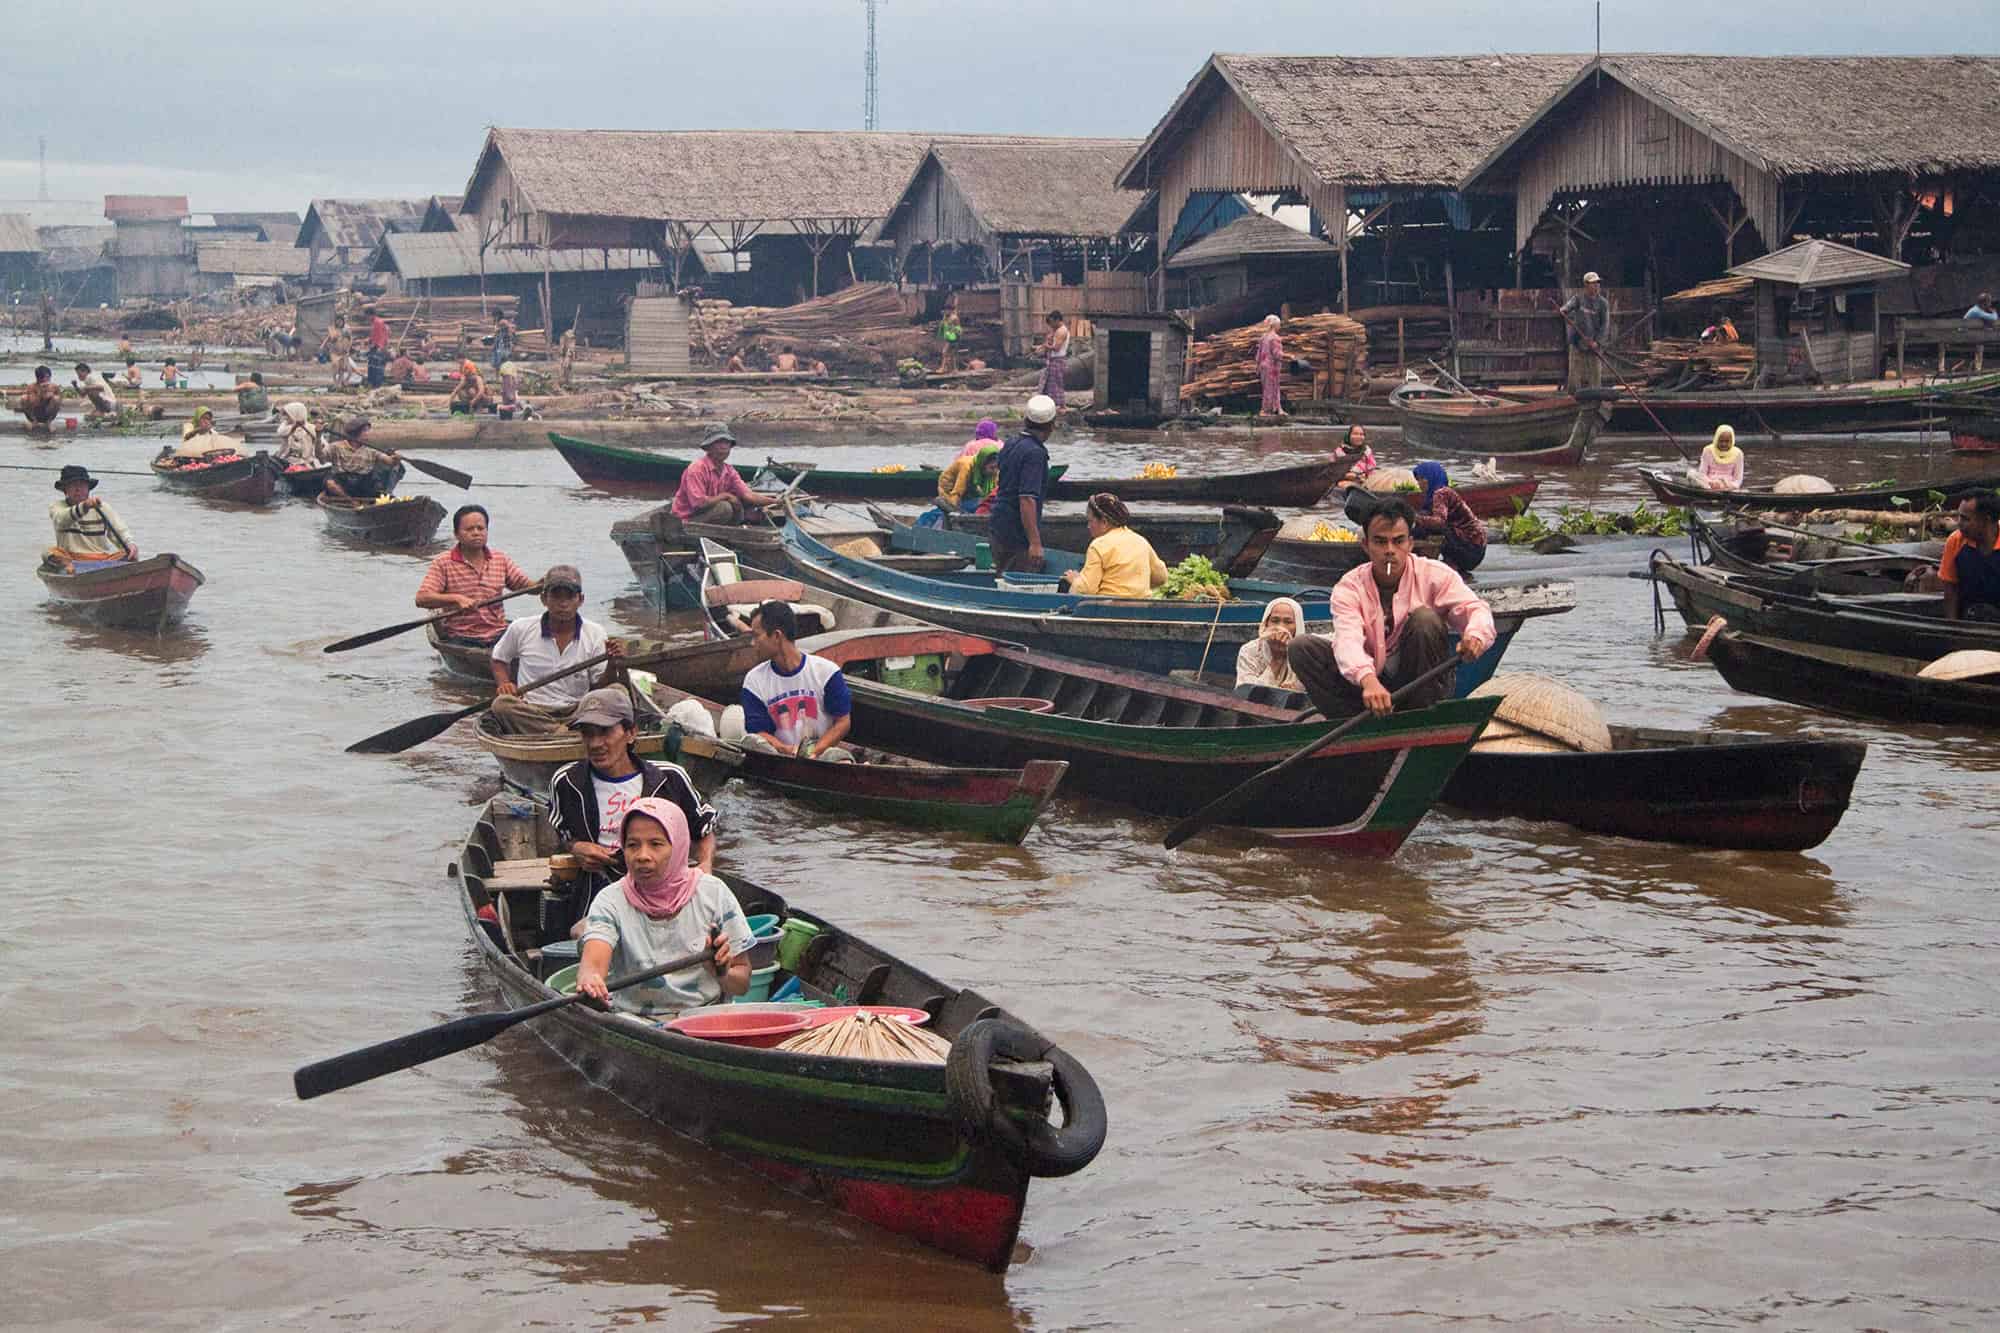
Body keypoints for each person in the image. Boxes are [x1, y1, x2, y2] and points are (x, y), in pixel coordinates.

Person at [1287, 499, 1496, 719]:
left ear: (1410, 544)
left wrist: (1474, 636)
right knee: (1300, 648)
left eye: (1398, 541)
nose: (1390, 551)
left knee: (1424, 619)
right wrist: (1368, 680)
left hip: (1422, 682)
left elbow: (1474, 609)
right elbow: (1348, 640)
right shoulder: (1349, 587)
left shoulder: (1435, 574)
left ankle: (1419, 718)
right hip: (1369, 684)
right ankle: (1355, 727)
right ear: (1365, 546)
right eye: (1380, 542)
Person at [573, 798, 754, 1014]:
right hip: (634, 1021)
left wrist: (720, 972)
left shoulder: (713, 893)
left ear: (678, 846)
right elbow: (593, 963)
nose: (642, 856)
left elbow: (742, 985)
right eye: (632, 845)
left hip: (705, 1018)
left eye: (656, 844)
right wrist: (591, 980)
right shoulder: (611, 900)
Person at [550, 688, 718, 918]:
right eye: (588, 734)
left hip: (666, 893)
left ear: (630, 733)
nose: (596, 743)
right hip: (598, 894)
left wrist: (705, 865)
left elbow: (703, 828)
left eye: (605, 732)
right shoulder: (567, 782)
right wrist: (577, 848)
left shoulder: (670, 778)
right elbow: (562, 833)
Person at [489, 566, 620, 733]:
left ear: (580, 600)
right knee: (501, 705)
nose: (563, 604)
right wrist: (504, 684)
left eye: (570, 597)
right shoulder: (521, 627)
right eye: (556, 596)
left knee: (617, 692)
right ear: (544, 599)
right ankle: (564, 732)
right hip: (533, 711)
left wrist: (612, 663)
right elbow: (498, 659)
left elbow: (600, 686)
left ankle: (562, 731)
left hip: (578, 709)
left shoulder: (595, 632)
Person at [739, 600, 853, 760]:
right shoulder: (753, 681)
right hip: (779, 758)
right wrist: (787, 750)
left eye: (756, 636)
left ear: (777, 636)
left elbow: (842, 722)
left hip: (821, 755)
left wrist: (812, 752)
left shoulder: (827, 672)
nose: (753, 643)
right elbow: (759, 732)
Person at [415, 504, 537, 645]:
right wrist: (457, 599)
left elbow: (526, 587)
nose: (476, 533)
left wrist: (543, 583)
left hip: (498, 633)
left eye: (480, 528)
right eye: (469, 529)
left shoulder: (500, 559)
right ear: (457, 534)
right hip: (460, 636)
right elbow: (422, 599)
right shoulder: (443, 562)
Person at [989, 394, 1058, 572]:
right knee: (1016, 580)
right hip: (1016, 531)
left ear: (1026, 420)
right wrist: (1035, 543)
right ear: (1051, 426)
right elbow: (1026, 498)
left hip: (999, 523)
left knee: (1002, 575)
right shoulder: (1035, 453)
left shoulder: (1011, 443)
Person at [1059, 492, 1168, 596]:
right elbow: (1161, 577)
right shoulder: (1140, 540)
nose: (1088, 526)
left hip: (1107, 608)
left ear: (1104, 522)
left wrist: (1075, 580)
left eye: (1090, 521)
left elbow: (1086, 590)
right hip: (1142, 608)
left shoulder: (1098, 545)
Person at [671, 429, 776, 525]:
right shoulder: (696, 469)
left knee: (745, 502)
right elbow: (699, 504)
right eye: (718, 442)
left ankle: (733, 531)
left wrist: (775, 501)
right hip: (686, 520)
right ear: (708, 447)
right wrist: (725, 496)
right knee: (725, 508)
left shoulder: (729, 471)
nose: (723, 447)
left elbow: (749, 495)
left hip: (707, 515)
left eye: (726, 443)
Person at [45, 464, 138, 572]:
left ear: (88, 488)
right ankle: (71, 569)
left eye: (82, 485)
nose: (78, 489)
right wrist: (85, 506)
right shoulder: (57, 507)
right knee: (49, 553)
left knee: (128, 554)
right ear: (65, 490)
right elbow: (61, 519)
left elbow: (119, 530)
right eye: (73, 485)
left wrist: (130, 545)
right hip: (71, 559)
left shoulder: (102, 507)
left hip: (101, 560)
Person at [1559, 271, 1613, 454]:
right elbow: (1565, 309)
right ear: (1585, 285)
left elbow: (1605, 326)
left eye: (1597, 283)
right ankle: (1571, 411)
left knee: (1595, 380)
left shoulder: (1603, 304)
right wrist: (1563, 311)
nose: (1595, 286)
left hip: (1595, 347)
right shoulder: (1578, 299)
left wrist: (1597, 342)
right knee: (1574, 379)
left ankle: (1593, 414)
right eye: (1592, 283)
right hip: (1578, 345)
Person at [1410, 461, 1488, 575]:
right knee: (1424, 517)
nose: (1419, 483)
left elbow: (1439, 522)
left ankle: (1417, 560)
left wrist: (1415, 518)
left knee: (1428, 524)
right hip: (1472, 550)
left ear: (1429, 478)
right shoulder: (1439, 494)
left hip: (1472, 550)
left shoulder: (1441, 493)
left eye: (1421, 479)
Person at [1940, 492, 2000, 622]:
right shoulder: (1955, 541)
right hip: (1969, 617)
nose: (1959, 523)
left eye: (1965, 519)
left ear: (1987, 520)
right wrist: (1953, 627)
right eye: (1959, 517)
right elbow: (1950, 588)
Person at [1235, 596, 1304, 693]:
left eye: (1288, 622)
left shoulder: (1305, 653)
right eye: (1275, 621)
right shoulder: (1250, 650)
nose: (1280, 627)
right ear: (1266, 623)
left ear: (1298, 626)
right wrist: (1276, 660)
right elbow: (1247, 693)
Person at [322, 417, 402, 498]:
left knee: (377, 482)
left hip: (362, 485)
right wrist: (318, 437)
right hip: (343, 484)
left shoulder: (371, 450)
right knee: (330, 483)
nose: (368, 433)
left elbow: (390, 461)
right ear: (356, 433)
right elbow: (320, 457)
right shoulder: (336, 446)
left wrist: (396, 459)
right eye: (365, 430)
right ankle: (351, 501)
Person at [932, 442, 1001, 520]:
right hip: (950, 486)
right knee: (951, 508)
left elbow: (994, 491)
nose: (995, 471)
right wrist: (953, 510)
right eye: (992, 468)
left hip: (970, 486)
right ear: (982, 464)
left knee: (981, 501)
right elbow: (957, 492)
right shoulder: (966, 466)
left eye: (997, 467)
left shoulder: (991, 472)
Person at [167, 407, 237, 459]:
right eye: (203, 418)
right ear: (198, 418)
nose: (206, 421)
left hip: (205, 457)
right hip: (189, 456)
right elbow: (187, 436)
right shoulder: (189, 426)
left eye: (208, 419)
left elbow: (219, 443)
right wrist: (200, 429)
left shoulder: (212, 431)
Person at [1694, 424, 1744, 491]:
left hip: (1727, 485)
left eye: (1727, 441)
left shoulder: (1738, 453)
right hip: (1708, 484)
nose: (1724, 444)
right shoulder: (1708, 450)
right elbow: (1702, 473)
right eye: (1721, 441)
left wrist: (1729, 486)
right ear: (1716, 439)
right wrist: (1711, 482)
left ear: (1732, 441)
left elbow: (1738, 480)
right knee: (1691, 474)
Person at [1256, 314, 1286, 417]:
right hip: (1272, 367)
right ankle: (1265, 410)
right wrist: (1288, 356)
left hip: (1263, 366)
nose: (1280, 326)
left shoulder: (1263, 338)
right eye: (1279, 324)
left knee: (1267, 388)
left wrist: (1258, 366)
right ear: (1275, 325)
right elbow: (1277, 354)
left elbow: (1258, 354)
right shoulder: (1275, 338)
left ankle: (1277, 408)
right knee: (1273, 388)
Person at [273, 401, 321, 467]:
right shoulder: (285, 426)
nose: (285, 417)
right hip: (286, 459)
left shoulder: (311, 428)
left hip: (306, 461)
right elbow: (282, 432)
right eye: (285, 415)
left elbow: (319, 444)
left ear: (296, 414)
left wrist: (319, 433)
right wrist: (294, 427)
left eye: (288, 415)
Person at [1038, 310, 1069, 410]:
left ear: (1057, 320)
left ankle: (1062, 406)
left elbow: (1056, 348)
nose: (1050, 325)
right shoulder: (1057, 330)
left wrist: (1044, 346)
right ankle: (1051, 405)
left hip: (1058, 360)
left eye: (1051, 322)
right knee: (1049, 383)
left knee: (1056, 383)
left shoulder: (1062, 331)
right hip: (1053, 359)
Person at [15, 365, 61, 431]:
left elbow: (59, 402)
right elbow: (33, 403)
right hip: (35, 413)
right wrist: (41, 394)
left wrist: (52, 396)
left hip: (47, 413)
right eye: (46, 377)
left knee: (56, 398)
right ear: (38, 378)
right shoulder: (32, 387)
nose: (48, 379)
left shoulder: (54, 387)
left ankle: (49, 422)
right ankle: (34, 422)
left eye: (48, 377)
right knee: (24, 398)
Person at [1332, 423, 1377, 487]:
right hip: (1344, 482)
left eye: (1361, 434)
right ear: (1348, 436)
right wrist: (1349, 476)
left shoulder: (1367, 450)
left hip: (1364, 481)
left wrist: (1364, 477)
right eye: (1355, 434)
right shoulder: (1339, 452)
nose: (1359, 437)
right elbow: (1334, 473)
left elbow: (1372, 469)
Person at [937, 302, 962, 373]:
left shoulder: (954, 318)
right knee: (952, 354)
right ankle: (954, 369)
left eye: (947, 310)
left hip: (953, 338)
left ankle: (943, 368)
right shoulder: (946, 317)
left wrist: (956, 336)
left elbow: (958, 328)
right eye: (945, 310)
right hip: (949, 337)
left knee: (945, 352)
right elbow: (942, 325)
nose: (945, 311)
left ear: (950, 310)